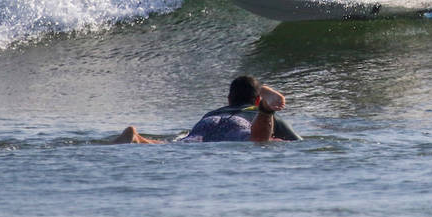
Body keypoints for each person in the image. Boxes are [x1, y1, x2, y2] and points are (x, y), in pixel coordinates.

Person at [111, 75, 300, 144]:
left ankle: (138, 137)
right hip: (237, 125)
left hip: (205, 124)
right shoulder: (251, 110)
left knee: (180, 143)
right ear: (256, 99)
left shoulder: (213, 111)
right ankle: (266, 110)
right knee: (258, 140)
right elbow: (297, 141)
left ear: (228, 99)